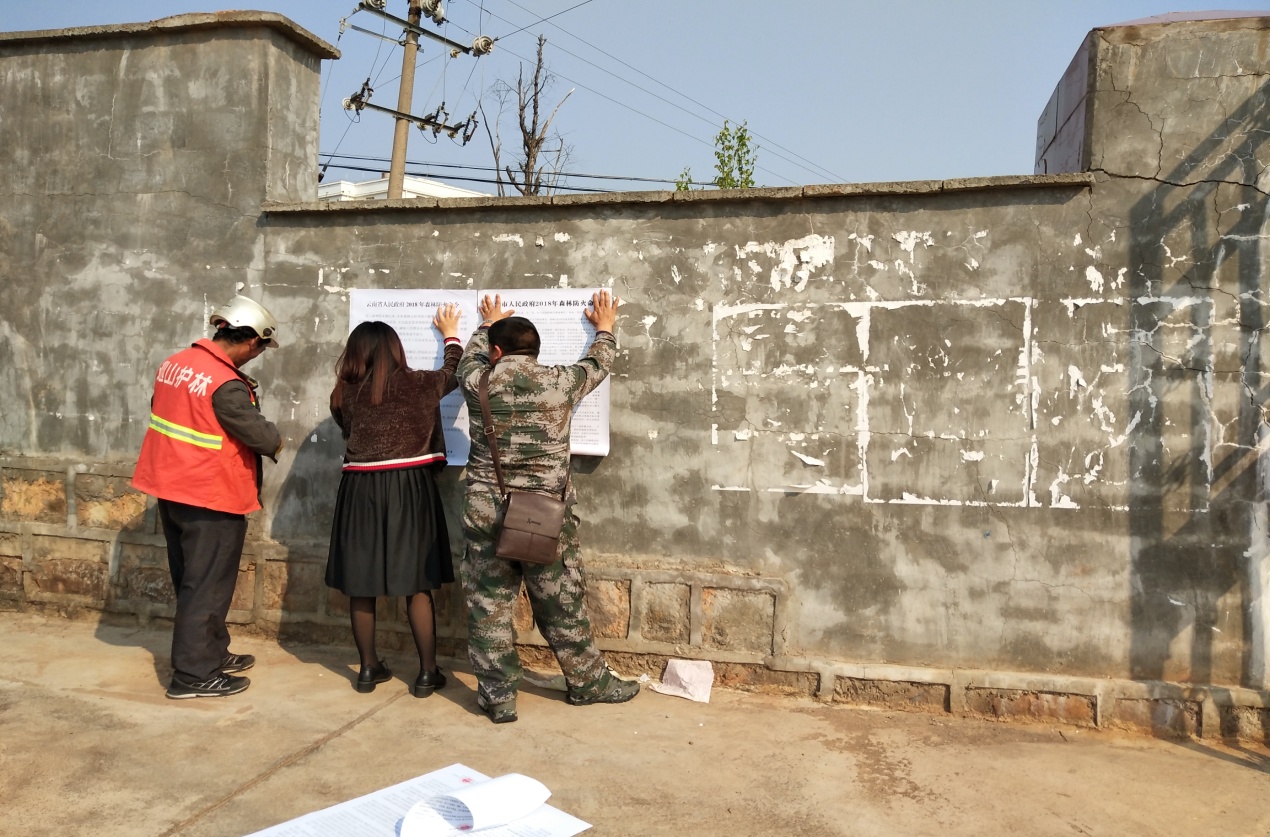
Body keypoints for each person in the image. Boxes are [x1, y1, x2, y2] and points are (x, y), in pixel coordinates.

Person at [457, 290, 640, 723]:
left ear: (496, 352)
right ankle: (588, 683)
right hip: (544, 514)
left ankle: (498, 696)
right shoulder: (561, 382)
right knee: (561, 600)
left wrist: (486, 324)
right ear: (536, 351)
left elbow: (467, 360)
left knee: (488, 604)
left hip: (486, 509)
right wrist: (604, 327)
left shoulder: (477, 381)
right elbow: (598, 363)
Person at [131, 295, 283, 699]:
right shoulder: (225, 384)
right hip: (210, 494)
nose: (258, 356)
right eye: (262, 348)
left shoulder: (175, 363)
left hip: (172, 488)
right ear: (250, 341)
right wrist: (276, 439)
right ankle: (194, 674)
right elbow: (262, 437)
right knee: (208, 585)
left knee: (192, 579)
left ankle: (211, 652)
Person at [325, 306, 462, 697]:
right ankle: (427, 673)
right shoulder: (419, 384)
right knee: (416, 582)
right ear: (395, 349)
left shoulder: (343, 393)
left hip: (359, 489)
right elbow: (452, 372)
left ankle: (368, 669)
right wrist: (451, 335)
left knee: (361, 583)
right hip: (409, 487)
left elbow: (347, 428)